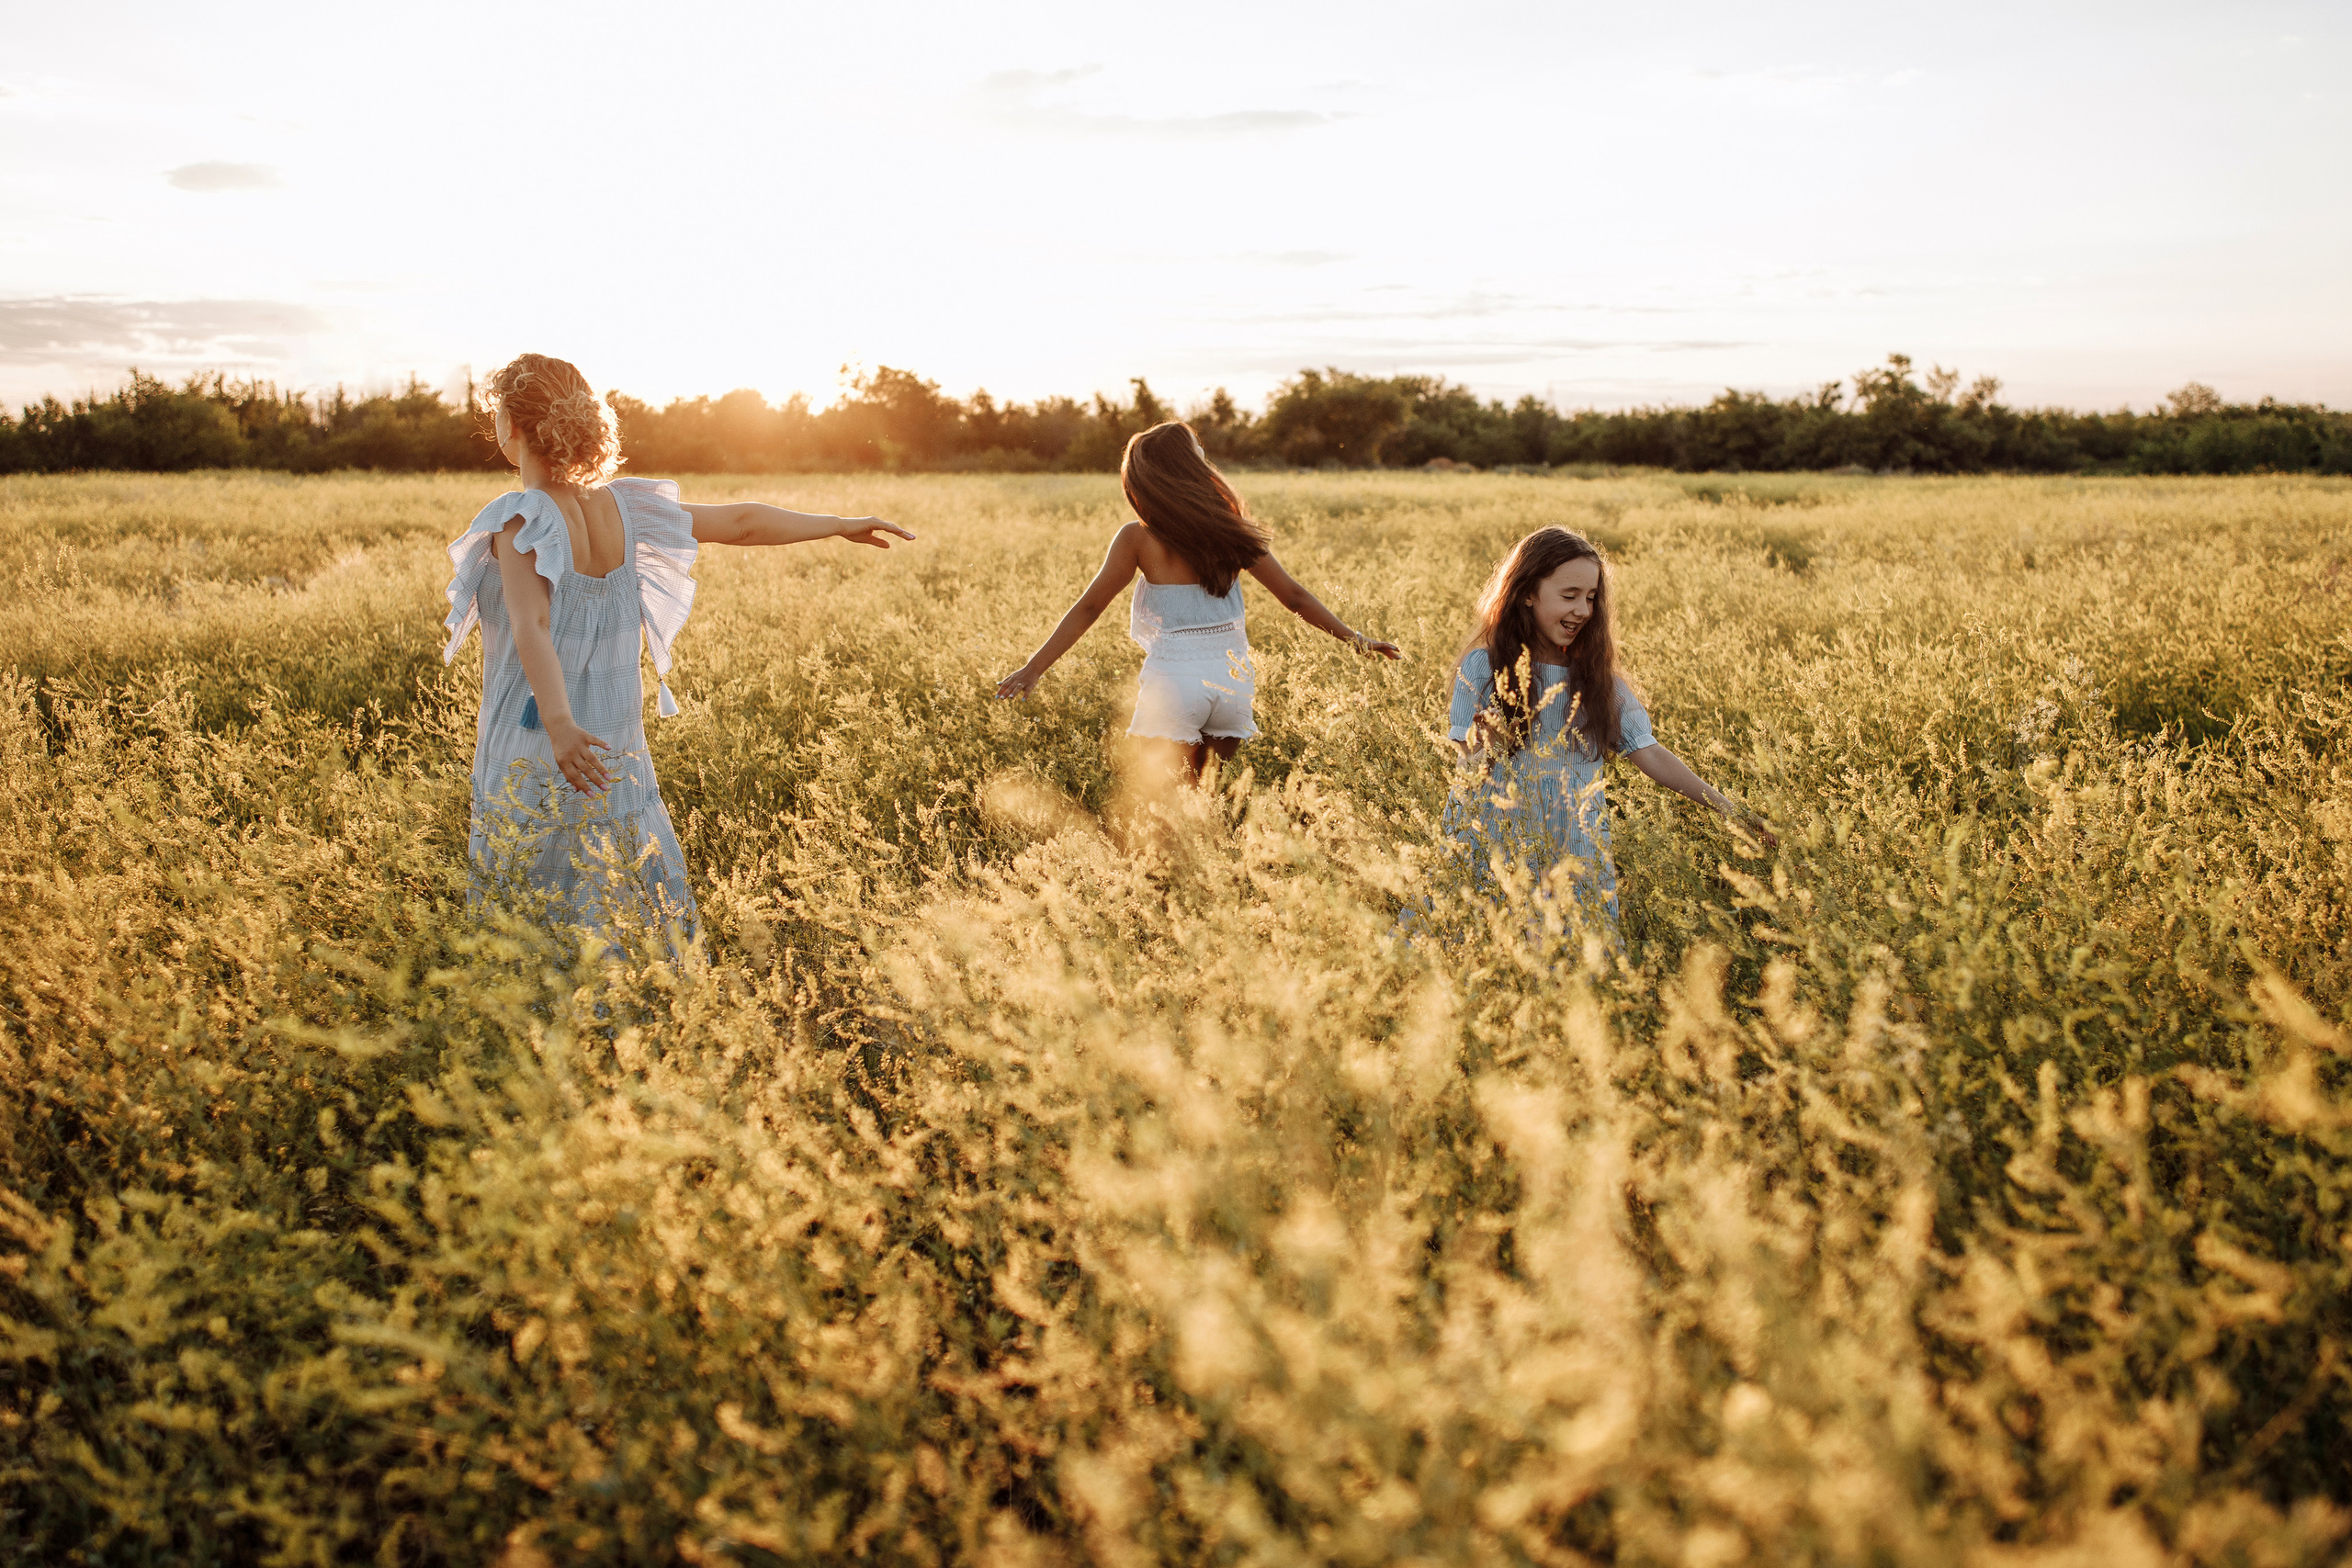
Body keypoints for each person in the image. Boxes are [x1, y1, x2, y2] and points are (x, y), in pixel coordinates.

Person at [443, 352, 913, 941]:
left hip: (538, 735)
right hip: (613, 737)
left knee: (534, 901)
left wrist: (560, 726)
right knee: (615, 885)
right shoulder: (625, 507)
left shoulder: (521, 518)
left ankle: (546, 1019)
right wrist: (837, 522)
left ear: (509, 424)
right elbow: (741, 521)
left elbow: (531, 623)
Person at [994, 420, 1398, 784]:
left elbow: (1088, 608)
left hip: (1176, 683)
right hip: (1233, 684)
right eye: (1198, 450)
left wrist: (1033, 668)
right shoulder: (1230, 530)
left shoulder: (1137, 538)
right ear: (1190, 465)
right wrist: (1356, 639)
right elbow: (1294, 596)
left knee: (1160, 809)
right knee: (1205, 800)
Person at [1442, 525, 1766, 930]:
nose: (1583, 610)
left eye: (1591, 598)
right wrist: (1484, 747)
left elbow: (1648, 751)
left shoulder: (1595, 679)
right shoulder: (1484, 666)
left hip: (1573, 848)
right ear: (1527, 593)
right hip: (1496, 843)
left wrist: (1731, 810)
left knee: (1575, 967)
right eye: (1569, 595)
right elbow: (1468, 767)